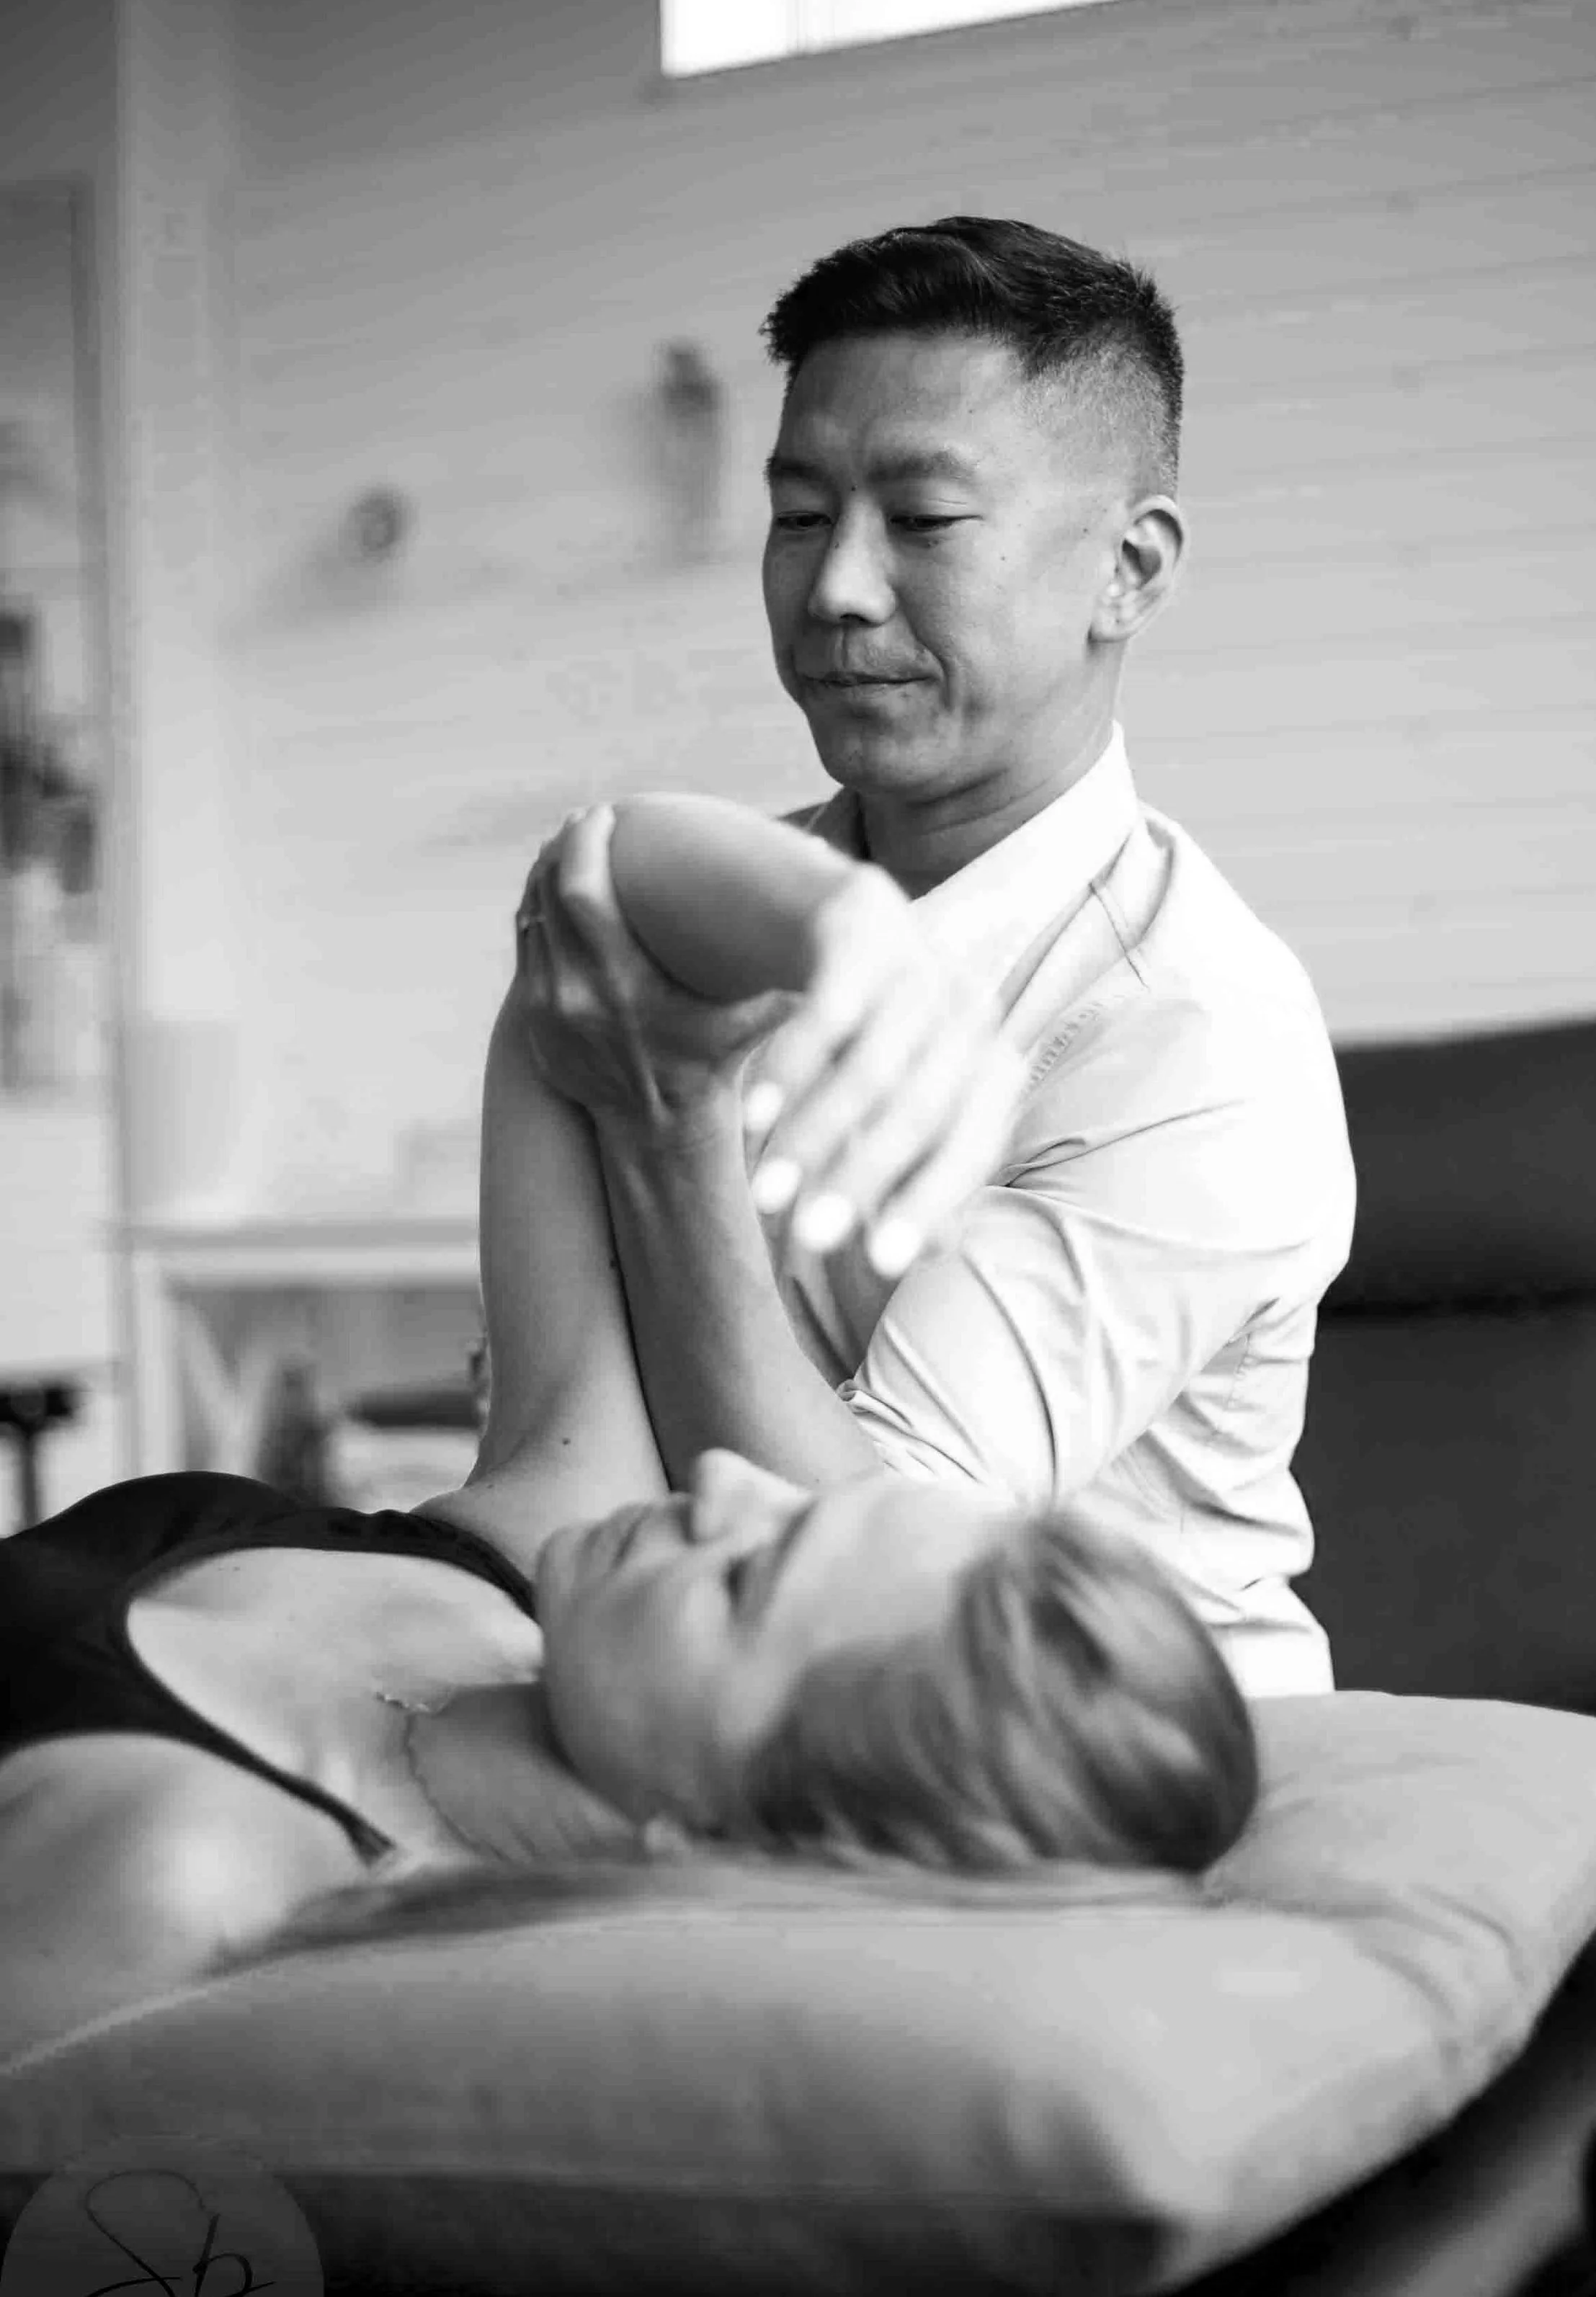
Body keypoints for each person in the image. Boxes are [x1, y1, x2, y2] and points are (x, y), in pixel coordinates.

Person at [0, 802, 1257, 2069]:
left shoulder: (197, 1883)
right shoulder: (544, 1561)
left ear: (724, 1834)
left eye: (751, 1581)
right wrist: (848, 928)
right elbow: (590, 921)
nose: (721, 1477)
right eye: (806, 1511)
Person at [522, 215, 1357, 1700]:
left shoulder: (1194, 1030)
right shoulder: (744, 903)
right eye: (796, 516)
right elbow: (582, 880)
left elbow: (851, 1581)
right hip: (704, 1700)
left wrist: (671, 1130)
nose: (836, 589)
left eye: (920, 520)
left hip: (1076, 1758)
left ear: (1128, 568)